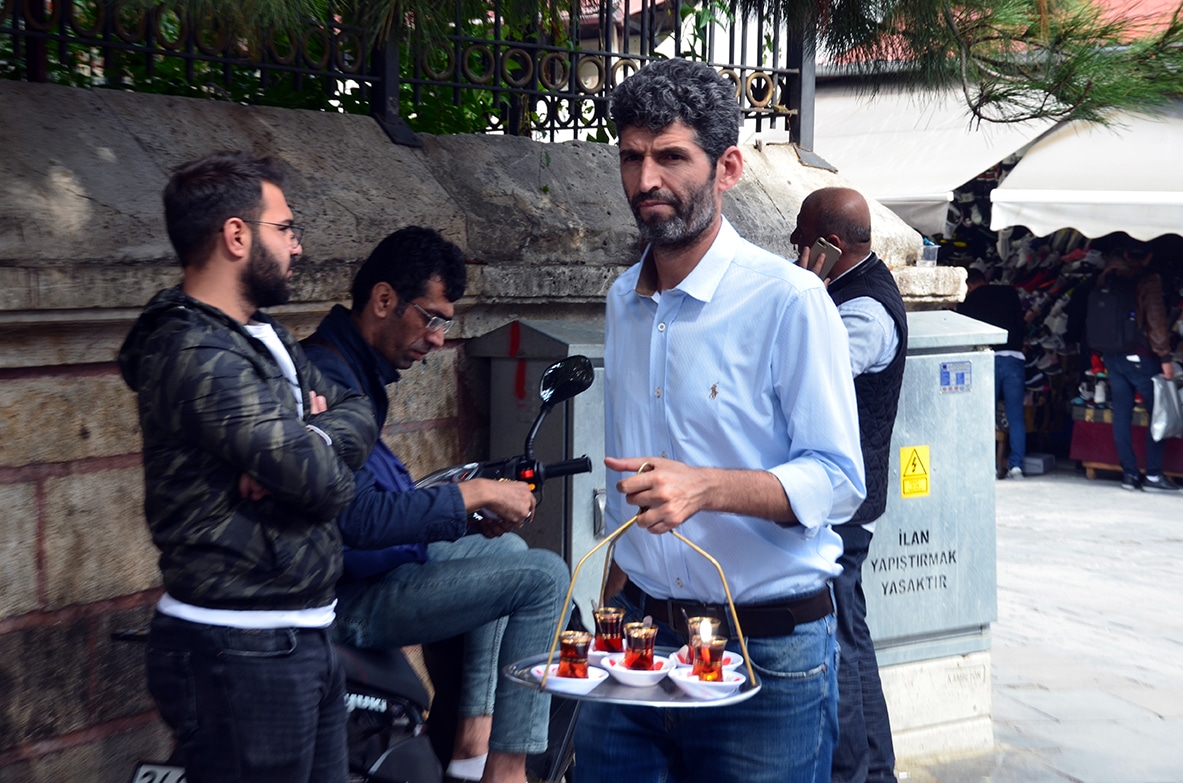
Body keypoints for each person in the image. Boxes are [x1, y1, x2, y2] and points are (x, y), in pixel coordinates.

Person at [574, 58, 866, 783]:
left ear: (727, 166)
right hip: (637, 642)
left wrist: (706, 488)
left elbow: (837, 481)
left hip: (764, 651)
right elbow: (634, 477)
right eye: (631, 157)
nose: (646, 181)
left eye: (671, 157)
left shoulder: (789, 301)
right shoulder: (622, 299)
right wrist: (614, 600)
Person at [117, 151, 378, 783]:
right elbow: (323, 487)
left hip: (303, 634)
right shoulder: (195, 350)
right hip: (237, 648)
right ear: (236, 235)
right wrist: (312, 454)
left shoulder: (263, 335)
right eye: (284, 228)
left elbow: (358, 407)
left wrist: (308, 435)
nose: (299, 245)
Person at [301, 226, 572, 783]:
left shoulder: (353, 371)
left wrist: (466, 514)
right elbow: (355, 520)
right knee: (544, 576)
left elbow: (376, 503)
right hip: (341, 599)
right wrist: (470, 494)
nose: (438, 339)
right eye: (431, 318)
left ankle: (472, 744)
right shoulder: (326, 378)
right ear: (383, 300)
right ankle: (507, 769)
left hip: (369, 573)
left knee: (514, 549)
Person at [793, 187, 907, 783]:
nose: (791, 247)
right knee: (847, 633)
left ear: (829, 245)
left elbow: (807, 372)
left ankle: (855, 773)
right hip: (838, 498)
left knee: (840, 639)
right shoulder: (845, 292)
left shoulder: (864, 311)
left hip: (843, 502)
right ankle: (874, 770)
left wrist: (805, 292)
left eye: (800, 236)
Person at [1091, 241, 1178, 492]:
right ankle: (1152, 475)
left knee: (1122, 415)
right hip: (1141, 356)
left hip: (1112, 356)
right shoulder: (1148, 279)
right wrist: (1165, 357)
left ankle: (1129, 474)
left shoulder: (1108, 276)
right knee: (1157, 414)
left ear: (1126, 253)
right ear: (1149, 256)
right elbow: (1156, 319)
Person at [959, 268, 1028, 479]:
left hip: (986, 359)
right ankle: (1016, 466)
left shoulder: (969, 301)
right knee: (1015, 416)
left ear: (969, 285)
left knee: (985, 414)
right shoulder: (1009, 293)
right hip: (1014, 358)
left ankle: (989, 466)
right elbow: (1021, 324)